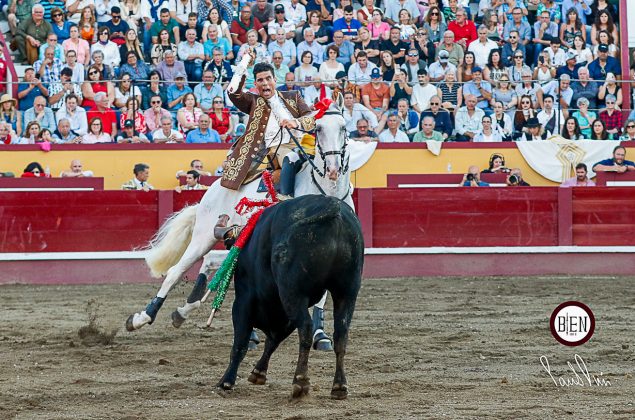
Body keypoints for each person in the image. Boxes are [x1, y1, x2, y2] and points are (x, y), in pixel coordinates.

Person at [222, 52, 315, 197]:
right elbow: (232, 92)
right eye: (260, 80)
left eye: (268, 78)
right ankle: (286, 198)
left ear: (275, 80)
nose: (265, 83)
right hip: (278, 149)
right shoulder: (253, 101)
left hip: (305, 144)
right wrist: (245, 61)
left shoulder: (294, 96)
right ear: (255, 84)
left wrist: (295, 122)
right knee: (291, 157)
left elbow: (311, 118)